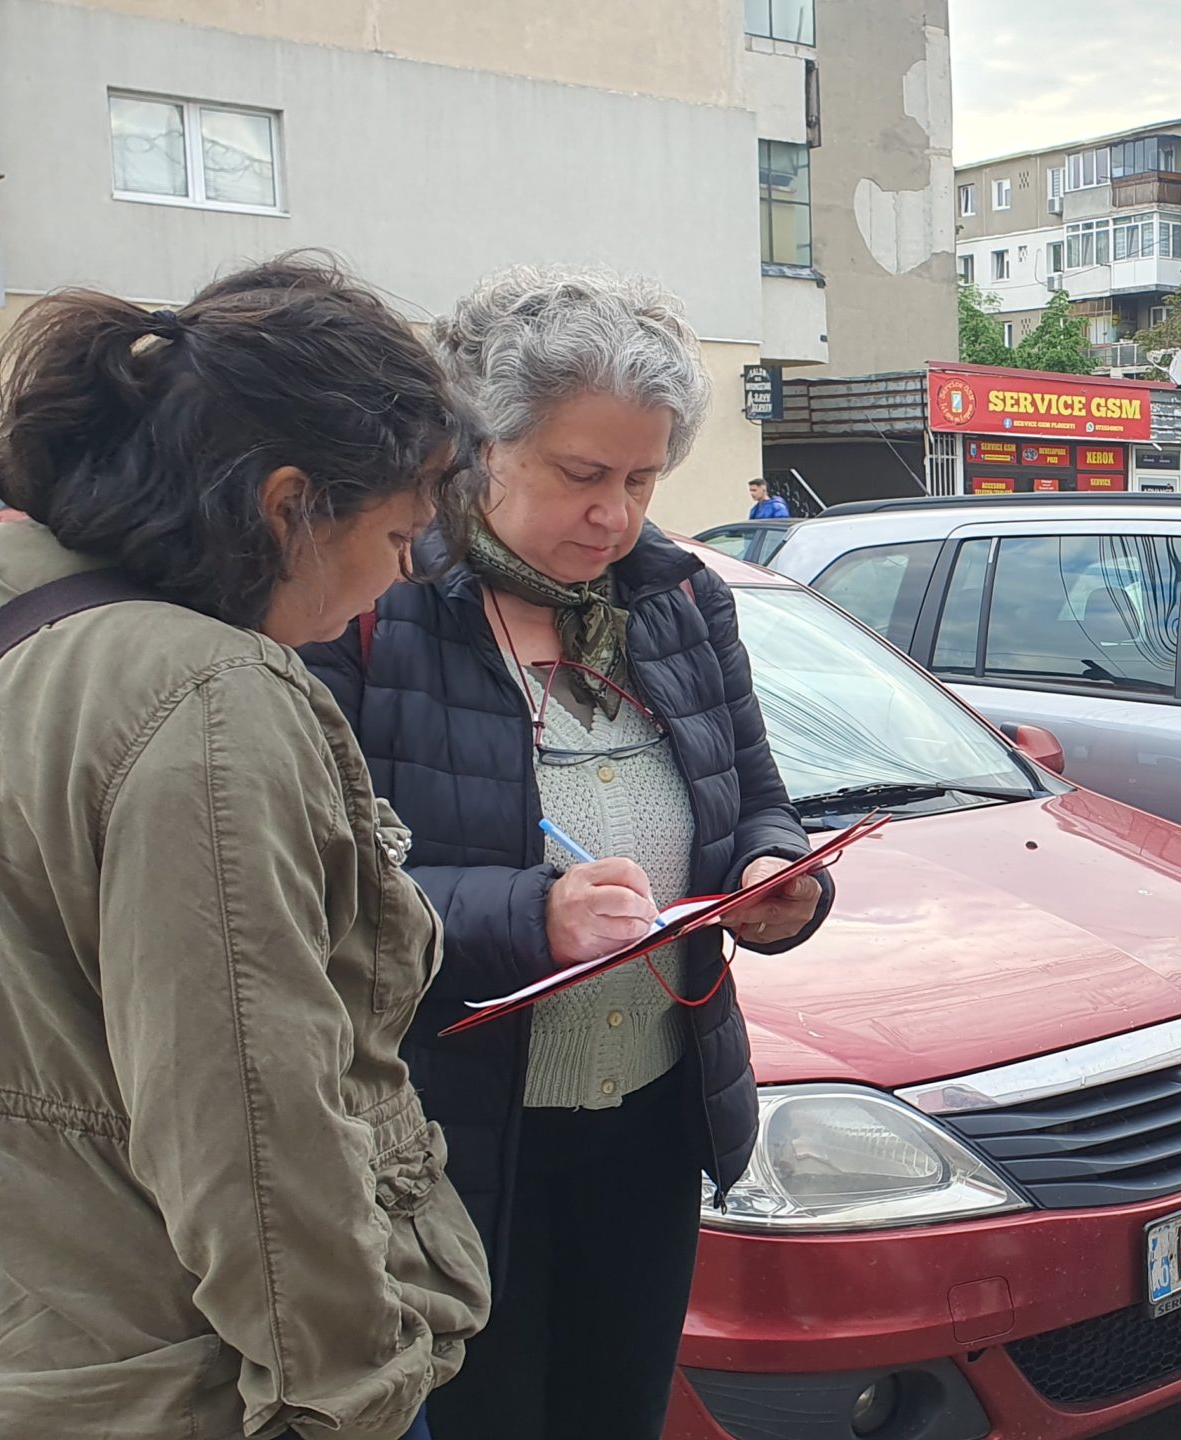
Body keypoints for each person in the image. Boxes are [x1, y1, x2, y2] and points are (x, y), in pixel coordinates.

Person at [303, 266, 836, 1439]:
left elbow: (755, 800)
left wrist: (774, 880)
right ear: (480, 447)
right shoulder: (374, 610)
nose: (617, 515)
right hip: (451, 1133)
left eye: (644, 479)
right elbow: (312, 891)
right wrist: (523, 913)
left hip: (652, 1113)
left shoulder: (681, 603)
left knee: (617, 1409)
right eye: (582, 475)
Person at [0, 258, 489, 1438]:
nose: (400, 579)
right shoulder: (209, 700)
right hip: (201, 1376)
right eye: (396, 533)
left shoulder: (30, 627)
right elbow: (252, 1125)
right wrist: (352, 1397)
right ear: (285, 508)